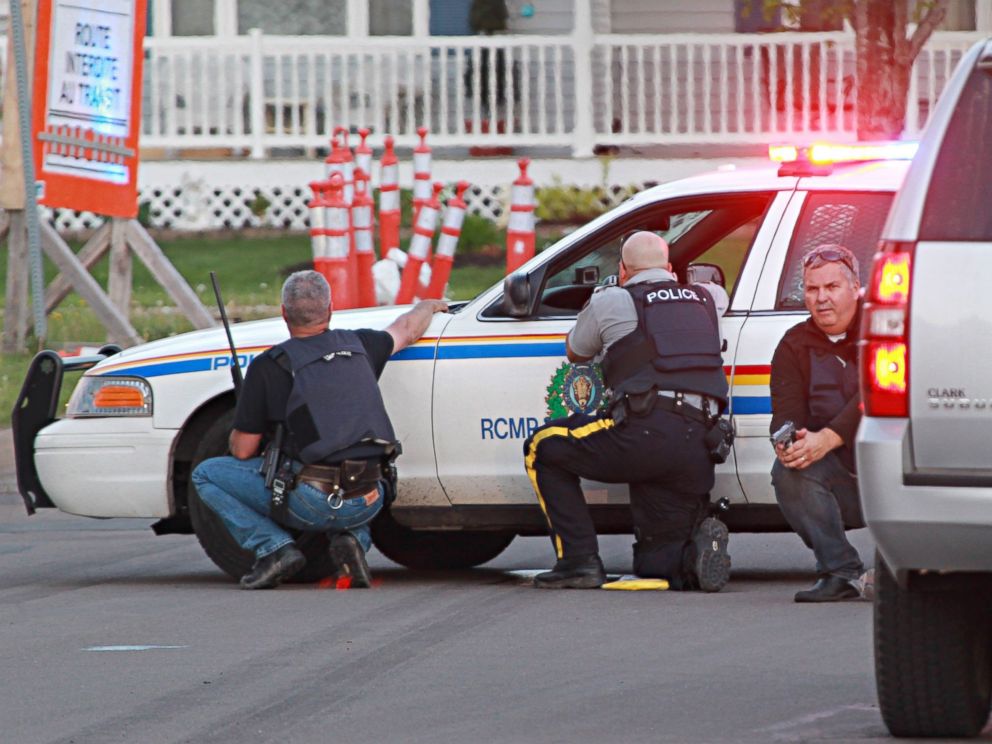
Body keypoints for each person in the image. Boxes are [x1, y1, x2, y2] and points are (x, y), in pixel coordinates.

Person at [192, 270, 447, 590]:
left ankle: (273, 549)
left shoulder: (270, 366)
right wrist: (428, 305)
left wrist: (244, 419)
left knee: (206, 474)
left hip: (313, 501)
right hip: (372, 496)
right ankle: (353, 538)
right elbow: (408, 328)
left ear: (284, 313)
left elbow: (242, 450)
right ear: (330, 309)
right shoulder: (361, 343)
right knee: (351, 470)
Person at [523, 231, 733, 591]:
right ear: (670, 268)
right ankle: (701, 548)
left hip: (645, 434)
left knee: (542, 446)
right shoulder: (707, 297)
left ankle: (578, 562)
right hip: (700, 445)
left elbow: (576, 351)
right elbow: (717, 293)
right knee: (657, 565)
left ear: (622, 270)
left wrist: (601, 298)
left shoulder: (614, 299)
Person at [770, 243, 869, 602]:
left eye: (832, 287)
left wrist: (829, 437)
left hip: (893, 472)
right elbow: (785, 411)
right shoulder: (794, 344)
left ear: (855, 286)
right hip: (841, 479)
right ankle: (841, 572)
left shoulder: (883, 330)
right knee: (790, 472)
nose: (821, 298)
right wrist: (787, 444)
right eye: (812, 289)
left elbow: (877, 393)